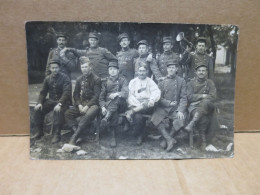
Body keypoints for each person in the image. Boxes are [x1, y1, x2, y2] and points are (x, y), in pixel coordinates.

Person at [32, 59, 72, 143]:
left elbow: (66, 92)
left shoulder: (65, 78)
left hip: (64, 102)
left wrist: (60, 103)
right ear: (50, 69)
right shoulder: (47, 79)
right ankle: (39, 132)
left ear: (59, 68)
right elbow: (43, 92)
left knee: (58, 111)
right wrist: (39, 103)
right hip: (51, 100)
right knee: (38, 109)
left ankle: (56, 134)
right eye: (53, 68)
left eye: (56, 68)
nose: (54, 70)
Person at [151, 60, 187, 152]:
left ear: (176, 69)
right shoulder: (162, 81)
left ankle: (167, 139)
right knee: (155, 117)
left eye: (173, 68)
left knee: (180, 119)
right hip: (164, 107)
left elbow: (183, 97)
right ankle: (169, 139)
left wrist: (180, 110)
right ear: (167, 69)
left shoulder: (181, 81)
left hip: (176, 107)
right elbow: (159, 97)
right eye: (169, 68)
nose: (171, 69)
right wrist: (168, 103)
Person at [64, 57, 101, 145]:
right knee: (68, 113)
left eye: (86, 67)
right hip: (82, 104)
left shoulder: (96, 79)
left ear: (90, 67)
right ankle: (78, 133)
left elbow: (96, 96)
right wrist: (79, 105)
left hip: (93, 105)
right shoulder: (79, 79)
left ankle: (74, 137)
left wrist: (87, 106)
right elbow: (75, 94)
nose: (84, 69)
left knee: (87, 115)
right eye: (82, 67)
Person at [125, 65, 161, 145]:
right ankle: (140, 135)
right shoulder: (133, 82)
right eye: (140, 71)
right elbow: (130, 95)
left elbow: (156, 92)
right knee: (138, 117)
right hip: (136, 103)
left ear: (147, 72)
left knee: (146, 103)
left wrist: (151, 100)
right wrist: (137, 104)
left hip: (148, 105)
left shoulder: (150, 81)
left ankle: (131, 112)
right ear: (137, 72)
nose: (142, 73)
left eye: (143, 71)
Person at [185, 62, 217, 150]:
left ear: (206, 72)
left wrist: (202, 98)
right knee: (202, 117)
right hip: (194, 107)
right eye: (199, 71)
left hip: (209, 106)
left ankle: (192, 123)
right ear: (196, 72)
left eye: (203, 71)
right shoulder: (190, 83)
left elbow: (213, 96)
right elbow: (190, 97)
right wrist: (202, 96)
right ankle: (203, 141)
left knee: (205, 102)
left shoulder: (210, 82)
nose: (201, 72)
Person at [99, 61, 128, 147]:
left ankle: (106, 118)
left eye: (114, 69)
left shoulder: (123, 80)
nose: (112, 71)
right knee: (113, 110)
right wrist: (103, 107)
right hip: (108, 106)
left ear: (118, 71)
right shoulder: (105, 81)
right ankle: (113, 136)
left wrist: (117, 94)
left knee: (117, 99)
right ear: (108, 71)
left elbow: (126, 93)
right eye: (110, 69)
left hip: (121, 104)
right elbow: (101, 97)